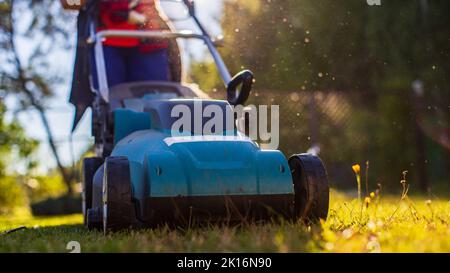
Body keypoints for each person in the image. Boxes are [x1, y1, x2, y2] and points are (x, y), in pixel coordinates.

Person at [61, 0, 181, 131]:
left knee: (161, 100)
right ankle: (116, 146)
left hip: (150, 39)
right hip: (108, 42)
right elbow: (69, 2)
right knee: (113, 108)